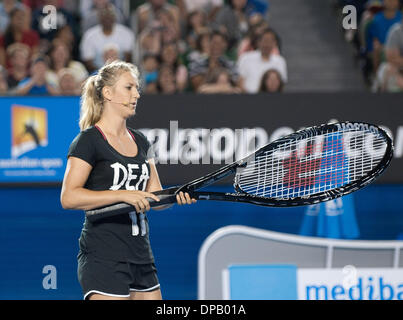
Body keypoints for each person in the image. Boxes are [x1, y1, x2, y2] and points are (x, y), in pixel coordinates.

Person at [60, 60, 196, 300]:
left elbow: (155, 197)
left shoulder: (142, 141)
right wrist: (124, 194)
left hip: (142, 255)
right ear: (108, 93)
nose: (137, 94)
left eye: (137, 88)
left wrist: (175, 197)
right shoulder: (88, 141)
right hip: (103, 256)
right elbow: (69, 197)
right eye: (129, 88)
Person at [237, 27, 287, 93]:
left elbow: (282, 85)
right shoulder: (245, 58)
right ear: (258, 42)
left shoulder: (280, 61)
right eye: (265, 40)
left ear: (275, 43)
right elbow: (240, 82)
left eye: (270, 41)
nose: (267, 44)